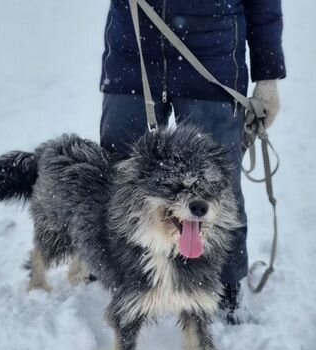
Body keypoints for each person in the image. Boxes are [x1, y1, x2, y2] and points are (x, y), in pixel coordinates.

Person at [99, 0, 286, 324]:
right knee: (119, 174)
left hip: (212, 60)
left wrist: (267, 78)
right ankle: (116, 269)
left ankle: (224, 283)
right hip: (133, 50)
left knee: (215, 185)